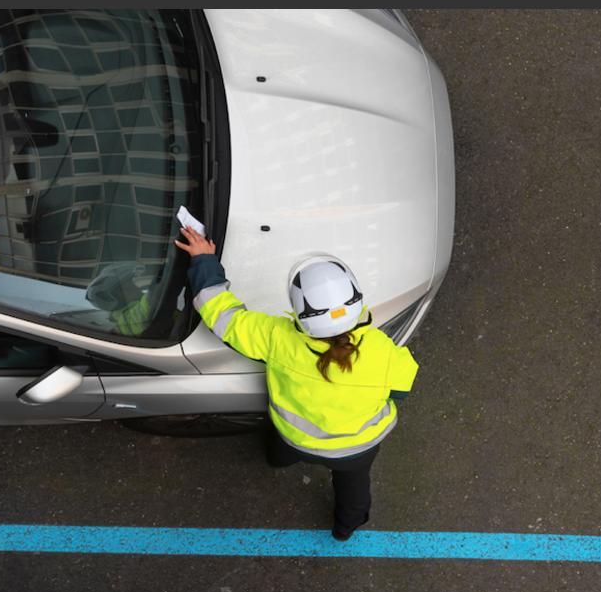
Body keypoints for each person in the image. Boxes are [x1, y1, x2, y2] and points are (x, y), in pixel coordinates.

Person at [175, 225, 419, 541]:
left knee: (280, 448)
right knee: (354, 489)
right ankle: (345, 528)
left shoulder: (278, 339)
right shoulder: (385, 352)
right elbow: (401, 391)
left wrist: (205, 261)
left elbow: (224, 317)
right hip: (356, 448)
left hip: (293, 438)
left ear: (300, 310)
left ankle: (279, 461)